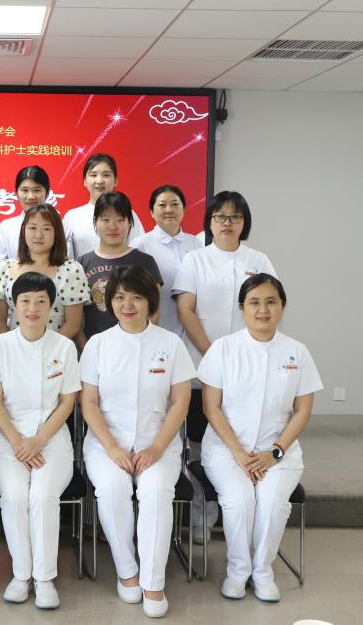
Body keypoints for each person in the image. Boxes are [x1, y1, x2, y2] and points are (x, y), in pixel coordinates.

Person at [80, 265, 194, 619]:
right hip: (106, 444)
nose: (127, 305)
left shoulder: (171, 344)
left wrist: (157, 447)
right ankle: (127, 571)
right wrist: (113, 448)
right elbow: (89, 403)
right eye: (119, 297)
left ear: (150, 301)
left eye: (136, 297)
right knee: (112, 489)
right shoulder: (98, 345)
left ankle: (154, 582)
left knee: (156, 491)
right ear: (109, 301)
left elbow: (180, 402)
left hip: (158, 444)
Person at [199, 274, 321, 603]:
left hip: (279, 452)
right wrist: (239, 454)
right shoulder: (223, 349)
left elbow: (303, 411)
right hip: (227, 450)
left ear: (282, 307)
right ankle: (238, 572)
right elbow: (211, 407)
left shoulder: (297, 352)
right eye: (254, 302)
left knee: (272, 503)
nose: (263, 309)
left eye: (271, 302)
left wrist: (274, 453)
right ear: (242, 308)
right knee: (239, 501)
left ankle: (263, 572)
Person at [172, 191, 277, 543]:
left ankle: (244, 512)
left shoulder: (259, 259)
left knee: (246, 439)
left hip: (249, 371)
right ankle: (202, 516)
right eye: (220, 217)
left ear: (244, 223)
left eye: (235, 217)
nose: (227, 223)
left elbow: (268, 307)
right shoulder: (195, 259)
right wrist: (214, 353)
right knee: (200, 447)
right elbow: (185, 310)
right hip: (202, 366)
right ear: (210, 222)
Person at [0, 272, 79, 609]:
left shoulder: (64, 347)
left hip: (52, 440)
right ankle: (21, 574)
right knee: (14, 495)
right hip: (6, 442)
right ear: (14, 305)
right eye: (25, 301)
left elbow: (67, 402)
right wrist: (18, 442)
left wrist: (38, 440)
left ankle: (44, 577)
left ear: (51, 306)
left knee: (42, 495)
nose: (33, 308)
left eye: (40, 301)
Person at [76, 191, 162, 345]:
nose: (112, 226)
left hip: (138, 347)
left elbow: (154, 311)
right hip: (95, 349)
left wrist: (140, 345)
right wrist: (87, 350)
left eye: (120, 220)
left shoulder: (145, 262)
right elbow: (74, 319)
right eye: (105, 220)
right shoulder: (81, 264)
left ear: (130, 222)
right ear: (95, 222)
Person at [0, 204, 88, 340]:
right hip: (13, 349)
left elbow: (72, 325)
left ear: (57, 233)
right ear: (24, 230)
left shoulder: (71, 271)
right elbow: (0, 321)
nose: (38, 235)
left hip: (56, 349)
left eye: (46, 229)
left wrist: (45, 349)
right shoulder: (6, 268)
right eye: (32, 228)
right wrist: (13, 347)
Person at [129, 184, 202, 339]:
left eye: (175, 204)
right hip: (153, 328)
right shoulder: (140, 244)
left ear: (184, 209)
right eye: (162, 205)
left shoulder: (195, 243)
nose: (169, 210)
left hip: (190, 331)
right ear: (151, 212)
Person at [63, 153, 146, 259]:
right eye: (93, 175)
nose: (99, 181)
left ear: (115, 180)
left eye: (106, 175)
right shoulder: (72, 217)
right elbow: (64, 255)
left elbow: (138, 251)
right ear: (84, 181)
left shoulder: (126, 213)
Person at [0, 165, 73, 268]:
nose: (30, 196)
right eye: (24, 190)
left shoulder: (61, 226)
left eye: (37, 190)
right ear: (16, 193)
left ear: (47, 192)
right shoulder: (6, 227)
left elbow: (66, 264)